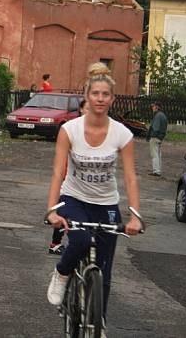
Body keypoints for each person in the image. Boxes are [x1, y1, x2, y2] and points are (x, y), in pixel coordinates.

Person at [45, 63, 142, 327]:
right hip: (74, 199)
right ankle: (62, 273)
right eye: (95, 93)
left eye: (105, 94)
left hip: (106, 204)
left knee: (105, 269)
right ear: (87, 96)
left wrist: (135, 216)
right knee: (80, 240)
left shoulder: (122, 134)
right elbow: (57, 173)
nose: (100, 98)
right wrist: (52, 210)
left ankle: (99, 325)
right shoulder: (70, 130)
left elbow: (131, 177)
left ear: (112, 99)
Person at [48, 98, 87, 255]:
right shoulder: (72, 129)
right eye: (86, 109)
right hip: (68, 178)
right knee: (62, 212)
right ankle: (55, 244)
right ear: (81, 110)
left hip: (86, 183)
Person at [147, 102, 168, 177]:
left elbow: (155, 128)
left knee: (154, 154)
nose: (152, 108)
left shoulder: (158, 115)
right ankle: (158, 169)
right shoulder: (163, 115)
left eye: (153, 106)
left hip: (155, 137)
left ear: (157, 107)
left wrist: (152, 136)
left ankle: (156, 171)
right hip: (160, 137)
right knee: (158, 154)